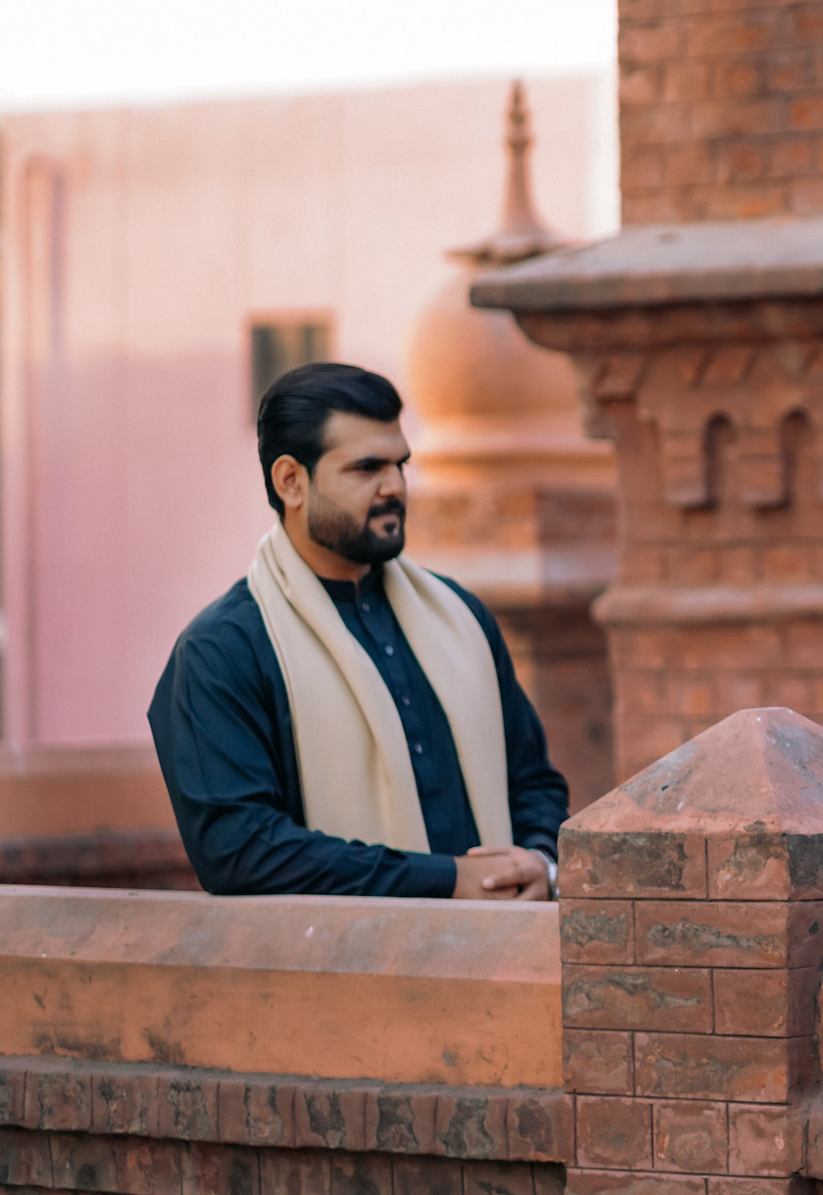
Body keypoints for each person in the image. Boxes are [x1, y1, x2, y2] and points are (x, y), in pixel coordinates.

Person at [150, 363, 569, 899]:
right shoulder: (225, 649)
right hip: (334, 977)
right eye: (367, 468)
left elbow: (533, 781)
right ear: (291, 481)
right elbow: (241, 851)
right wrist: (446, 882)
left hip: (502, 964)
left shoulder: (460, 617)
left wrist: (538, 860)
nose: (395, 487)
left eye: (401, 464)